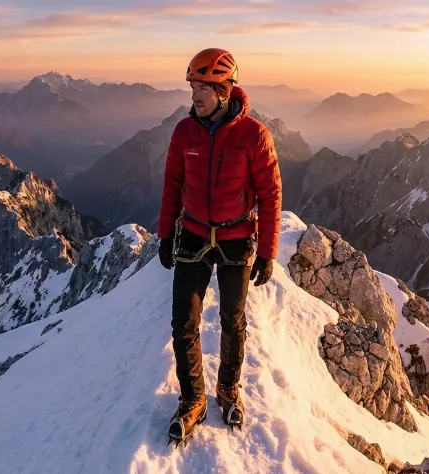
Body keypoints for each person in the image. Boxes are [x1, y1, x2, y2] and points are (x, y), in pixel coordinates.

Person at [157, 48, 282, 441]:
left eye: (203, 88)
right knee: (184, 322)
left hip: (236, 238)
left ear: (225, 90)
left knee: (233, 320)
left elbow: (270, 194)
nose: (194, 94)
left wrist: (268, 252)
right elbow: (173, 186)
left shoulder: (254, 135)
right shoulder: (183, 132)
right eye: (193, 86)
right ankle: (194, 397)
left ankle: (228, 389)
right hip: (193, 234)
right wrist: (164, 234)